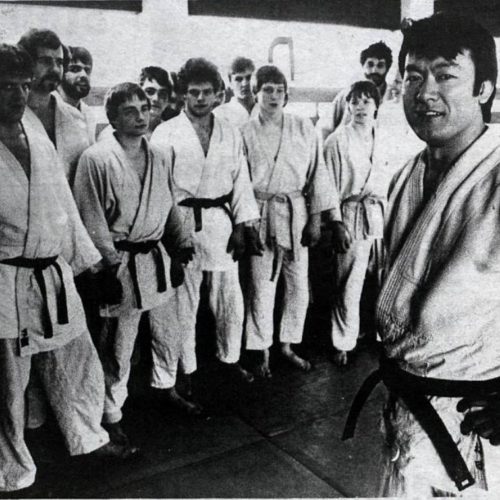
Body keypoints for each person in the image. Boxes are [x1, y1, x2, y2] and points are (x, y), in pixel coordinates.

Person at [342, 13, 500, 497]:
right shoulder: (405, 175)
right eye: (413, 76)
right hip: (408, 415)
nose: (425, 92)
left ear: (484, 89)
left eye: (446, 76)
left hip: (474, 428)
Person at [0, 44, 137, 493]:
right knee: (8, 383)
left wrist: (91, 263)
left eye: (23, 85)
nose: (18, 95)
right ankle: (11, 471)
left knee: (77, 358)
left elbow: (64, 203)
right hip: (5, 280)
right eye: (6, 86)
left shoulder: (35, 133)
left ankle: (89, 439)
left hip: (52, 272)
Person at [151, 58, 261, 413]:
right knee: (183, 305)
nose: (200, 98)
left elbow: (241, 180)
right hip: (182, 221)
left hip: (220, 222)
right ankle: (186, 372)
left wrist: (243, 225)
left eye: (207, 92)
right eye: (193, 92)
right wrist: (170, 238)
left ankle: (229, 360)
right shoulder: (166, 132)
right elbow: (160, 188)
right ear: (182, 94)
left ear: (218, 94)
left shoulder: (230, 131)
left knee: (230, 300)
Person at [72, 82, 174, 446]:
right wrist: (106, 269)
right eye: (130, 111)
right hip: (119, 264)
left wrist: (180, 246)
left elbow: (171, 204)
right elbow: (91, 218)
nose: (140, 116)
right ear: (112, 118)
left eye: (144, 108)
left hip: (155, 258)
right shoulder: (96, 159)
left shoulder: (160, 154)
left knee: (166, 335)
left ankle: (166, 389)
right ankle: (109, 415)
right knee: (117, 347)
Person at [241, 65, 340, 377]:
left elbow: (318, 173)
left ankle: (287, 345)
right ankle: (261, 349)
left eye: (279, 90)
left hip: (296, 212)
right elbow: (240, 182)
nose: (274, 96)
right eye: (267, 90)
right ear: (255, 93)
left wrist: (315, 219)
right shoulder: (244, 131)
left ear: (286, 95)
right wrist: (247, 223)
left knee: (297, 285)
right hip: (260, 212)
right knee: (261, 287)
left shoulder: (302, 127)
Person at [324, 81, 386, 366]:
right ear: (347, 105)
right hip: (350, 213)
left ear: (376, 106)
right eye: (355, 101)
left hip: (379, 213)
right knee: (349, 280)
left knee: (383, 277)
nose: (361, 107)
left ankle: (382, 336)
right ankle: (343, 342)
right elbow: (328, 188)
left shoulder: (383, 137)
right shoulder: (337, 141)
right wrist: (336, 223)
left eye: (367, 101)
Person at [18, 29, 92, 186]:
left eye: (59, 62)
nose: (55, 69)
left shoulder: (75, 118)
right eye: (45, 61)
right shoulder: (12, 117)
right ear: (27, 64)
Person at [319, 41, 393, 141]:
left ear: (387, 68)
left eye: (380, 65)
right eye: (370, 64)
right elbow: (324, 128)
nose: (374, 70)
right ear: (363, 66)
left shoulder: (393, 97)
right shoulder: (347, 94)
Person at [99, 65, 173, 141]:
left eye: (162, 94)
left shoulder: (172, 131)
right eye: (149, 91)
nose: (156, 98)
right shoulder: (113, 134)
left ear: (168, 100)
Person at [56, 45, 97, 144]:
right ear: (60, 73)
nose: (83, 75)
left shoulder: (88, 114)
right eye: (74, 69)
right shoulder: (51, 109)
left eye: (87, 70)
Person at [213, 56, 259, 128]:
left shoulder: (266, 110)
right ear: (230, 83)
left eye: (248, 78)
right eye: (238, 79)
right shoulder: (220, 113)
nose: (244, 84)